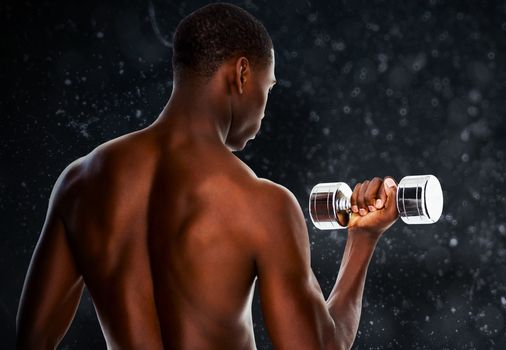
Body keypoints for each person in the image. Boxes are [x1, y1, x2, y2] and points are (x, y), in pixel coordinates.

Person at [16, 3, 399, 349]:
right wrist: (362, 240)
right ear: (242, 73)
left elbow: (34, 339)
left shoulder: (80, 183)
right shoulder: (262, 203)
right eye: (268, 88)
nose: (264, 111)